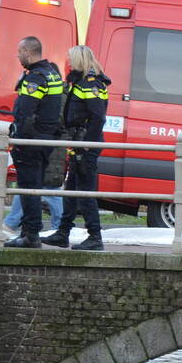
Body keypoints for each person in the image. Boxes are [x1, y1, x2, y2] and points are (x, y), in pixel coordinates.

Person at [42, 45, 111, 251]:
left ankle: (95, 237)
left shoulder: (91, 83)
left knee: (85, 192)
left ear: (80, 60)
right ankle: (63, 233)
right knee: (71, 190)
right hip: (78, 143)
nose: (68, 63)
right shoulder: (80, 82)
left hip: (85, 144)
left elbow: (98, 117)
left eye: (71, 59)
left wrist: (86, 146)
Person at [5, 36, 63, 249]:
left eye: (19, 52)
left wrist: (19, 140)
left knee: (28, 189)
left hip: (31, 141)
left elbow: (25, 112)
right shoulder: (53, 75)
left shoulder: (34, 79)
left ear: (28, 52)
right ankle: (30, 232)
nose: (18, 56)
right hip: (47, 141)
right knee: (35, 188)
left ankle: (30, 236)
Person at [3, 137, 66, 233]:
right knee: (31, 188)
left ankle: (12, 223)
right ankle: (12, 223)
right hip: (47, 151)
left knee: (47, 190)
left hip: (44, 151)